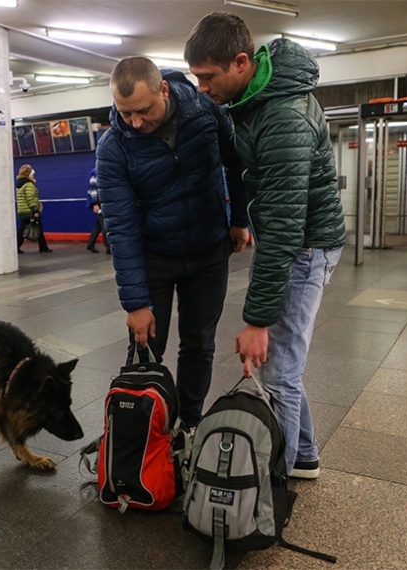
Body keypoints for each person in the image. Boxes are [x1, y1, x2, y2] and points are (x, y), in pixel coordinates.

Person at [185, 12, 346, 479]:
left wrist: (257, 320)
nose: (202, 87)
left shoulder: (282, 117)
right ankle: (306, 455)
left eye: (207, 76)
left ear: (240, 63)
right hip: (302, 240)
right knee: (286, 365)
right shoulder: (259, 98)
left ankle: (272, 492)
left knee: (276, 373)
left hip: (305, 247)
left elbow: (281, 230)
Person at [95, 56, 249, 429]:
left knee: (199, 344)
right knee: (146, 346)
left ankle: (189, 426)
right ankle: (143, 434)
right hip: (155, 256)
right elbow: (121, 225)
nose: (135, 122)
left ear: (164, 89)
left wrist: (239, 219)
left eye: (143, 111)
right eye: (124, 112)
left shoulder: (204, 110)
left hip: (209, 249)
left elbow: (236, 162)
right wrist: (135, 303)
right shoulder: (113, 147)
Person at [15, 164, 53, 253]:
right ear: (28, 174)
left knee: (26, 228)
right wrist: (35, 210)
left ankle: (43, 247)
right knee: (30, 228)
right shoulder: (28, 185)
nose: (33, 175)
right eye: (32, 173)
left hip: (22, 210)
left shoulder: (19, 185)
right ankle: (43, 248)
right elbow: (30, 198)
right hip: (29, 211)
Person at [85, 167, 109, 254]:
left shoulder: (100, 171)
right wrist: (95, 203)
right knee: (105, 225)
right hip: (99, 203)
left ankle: (90, 244)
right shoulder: (95, 173)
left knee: (98, 225)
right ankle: (109, 247)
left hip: (101, 202)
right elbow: (93, 190)